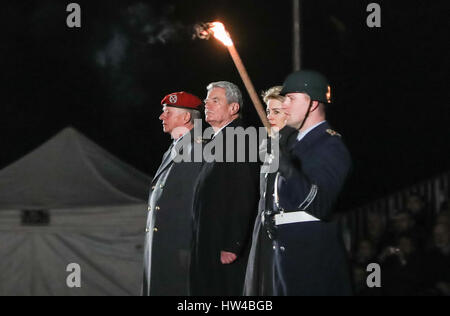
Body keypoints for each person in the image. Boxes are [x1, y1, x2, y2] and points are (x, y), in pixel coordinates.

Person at [244, 70, 353, 296]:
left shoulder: (329, 144)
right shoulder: (294, 145)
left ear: (312, 104)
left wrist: (286, 168)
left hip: (310, 253)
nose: (285, 106)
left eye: (291, 99)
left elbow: (319, 203)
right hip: (284, 250)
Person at [190, 81, 260, 296]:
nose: (207, 105)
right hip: (209, 242)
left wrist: (232, 243)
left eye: (215, 100)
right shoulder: (218, 141)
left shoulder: (239, 139)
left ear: (233, 108)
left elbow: (244, 192)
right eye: (206, 100)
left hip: (225, 248)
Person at [142, 91, 204, 296]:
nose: (162, 116)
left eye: (168, 112)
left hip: (177, 246)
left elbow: (191, 202)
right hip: (163, 245)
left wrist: (186, 246)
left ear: (186, 118)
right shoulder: (173, 149)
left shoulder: (196, 149)